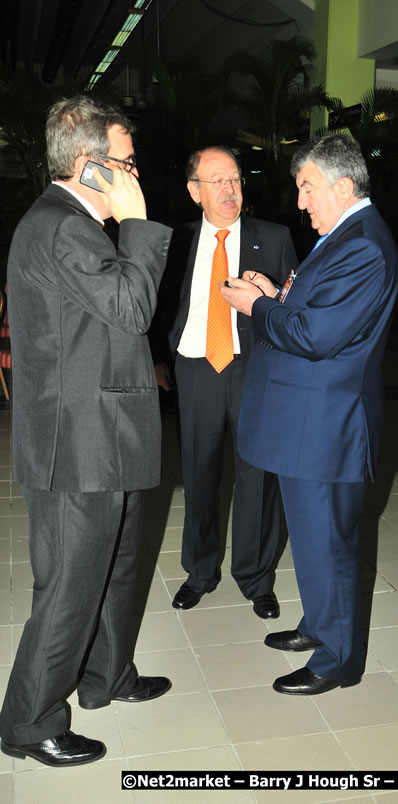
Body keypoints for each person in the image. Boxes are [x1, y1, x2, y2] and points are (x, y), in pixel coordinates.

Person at [0, 95, 173, 767]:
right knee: (71, 584)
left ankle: (106, 676)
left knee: (116, 565)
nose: (135, 174)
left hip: (104, 431)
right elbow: (132, 308)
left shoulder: (64, 224)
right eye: (126, 163)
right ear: (90, 166)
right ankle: (28, 719)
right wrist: (138, 223)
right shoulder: (64, 227)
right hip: (77, 446)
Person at [221, 133, 398, 694]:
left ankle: (338, 660)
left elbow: (316, 336)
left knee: (331, 543)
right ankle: (321, 626)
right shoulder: (343, 234)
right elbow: (316, 313)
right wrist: (275, 293)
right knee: (314, 537)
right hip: (309, 422)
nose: (300, 202)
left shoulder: (365, 245)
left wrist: (257, 307)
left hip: (327, 427)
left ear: (343, 186)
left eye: (307, 188)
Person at [152, 146, 297, 617]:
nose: (230, 190)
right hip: (196, 368)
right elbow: (157, 308)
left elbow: (293, 309)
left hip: (252, 369)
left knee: (257, 475)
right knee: (198, 474)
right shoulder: (175, 242)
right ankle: (199, 572)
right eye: (217, 181)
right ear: (195, 191)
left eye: (235, 179)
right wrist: (159, 358)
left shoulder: (273, 239)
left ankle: (255, 578)